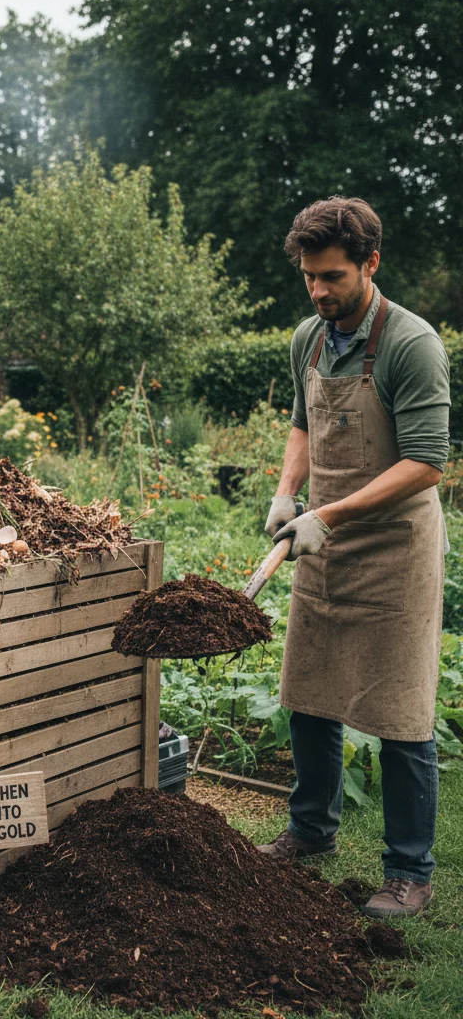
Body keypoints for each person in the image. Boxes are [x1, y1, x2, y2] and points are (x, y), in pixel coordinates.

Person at [257, 197, 449, 919]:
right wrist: (287, 496)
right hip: (322, 540)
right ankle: (311, 831)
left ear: (370, 263)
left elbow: (426, 463)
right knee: (308, 692)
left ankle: (409, 871)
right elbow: (304, 425)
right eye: (309, 276)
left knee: (402, 713)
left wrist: (327, 514)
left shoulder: (411, 344)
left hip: (394, 550)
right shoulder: (310, 338)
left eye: (332, 276)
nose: (318, 290)